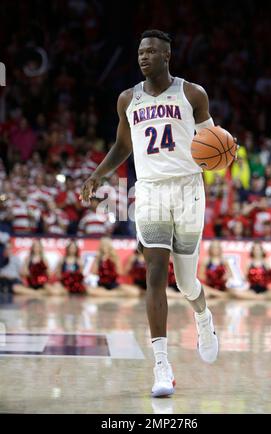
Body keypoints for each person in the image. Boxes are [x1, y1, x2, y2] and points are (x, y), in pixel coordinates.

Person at [80, 29, 223, 397]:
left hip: (189, 188)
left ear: (167, 56)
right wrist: (98, 175)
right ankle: (162, 365)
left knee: (187, 283)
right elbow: (123, 144)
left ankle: (203, 318)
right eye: (141, 51)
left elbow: (212, 143)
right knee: (155, 272)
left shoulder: (193, 94)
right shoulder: (128, 98)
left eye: (152, 52)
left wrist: (225, 151)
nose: (144, 57)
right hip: (150, 191)